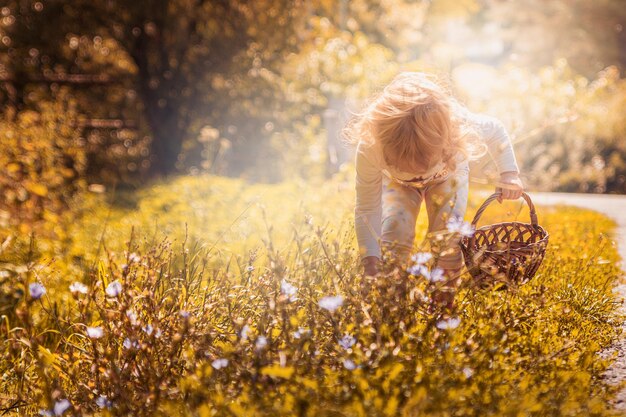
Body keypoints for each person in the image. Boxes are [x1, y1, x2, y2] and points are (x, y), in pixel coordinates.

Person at [342, 71, 524, 313]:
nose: (418, 176)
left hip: (447, 176)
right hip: (399, 185)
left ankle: (442, 302)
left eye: (422, 167)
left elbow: (496, 130)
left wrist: (508, 173)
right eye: (406, 165)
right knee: (395, 228)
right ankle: (393, 300)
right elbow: (367, 209)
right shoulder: (371, 146)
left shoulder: (457, 124)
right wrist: (370, 261)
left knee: (449, 232)